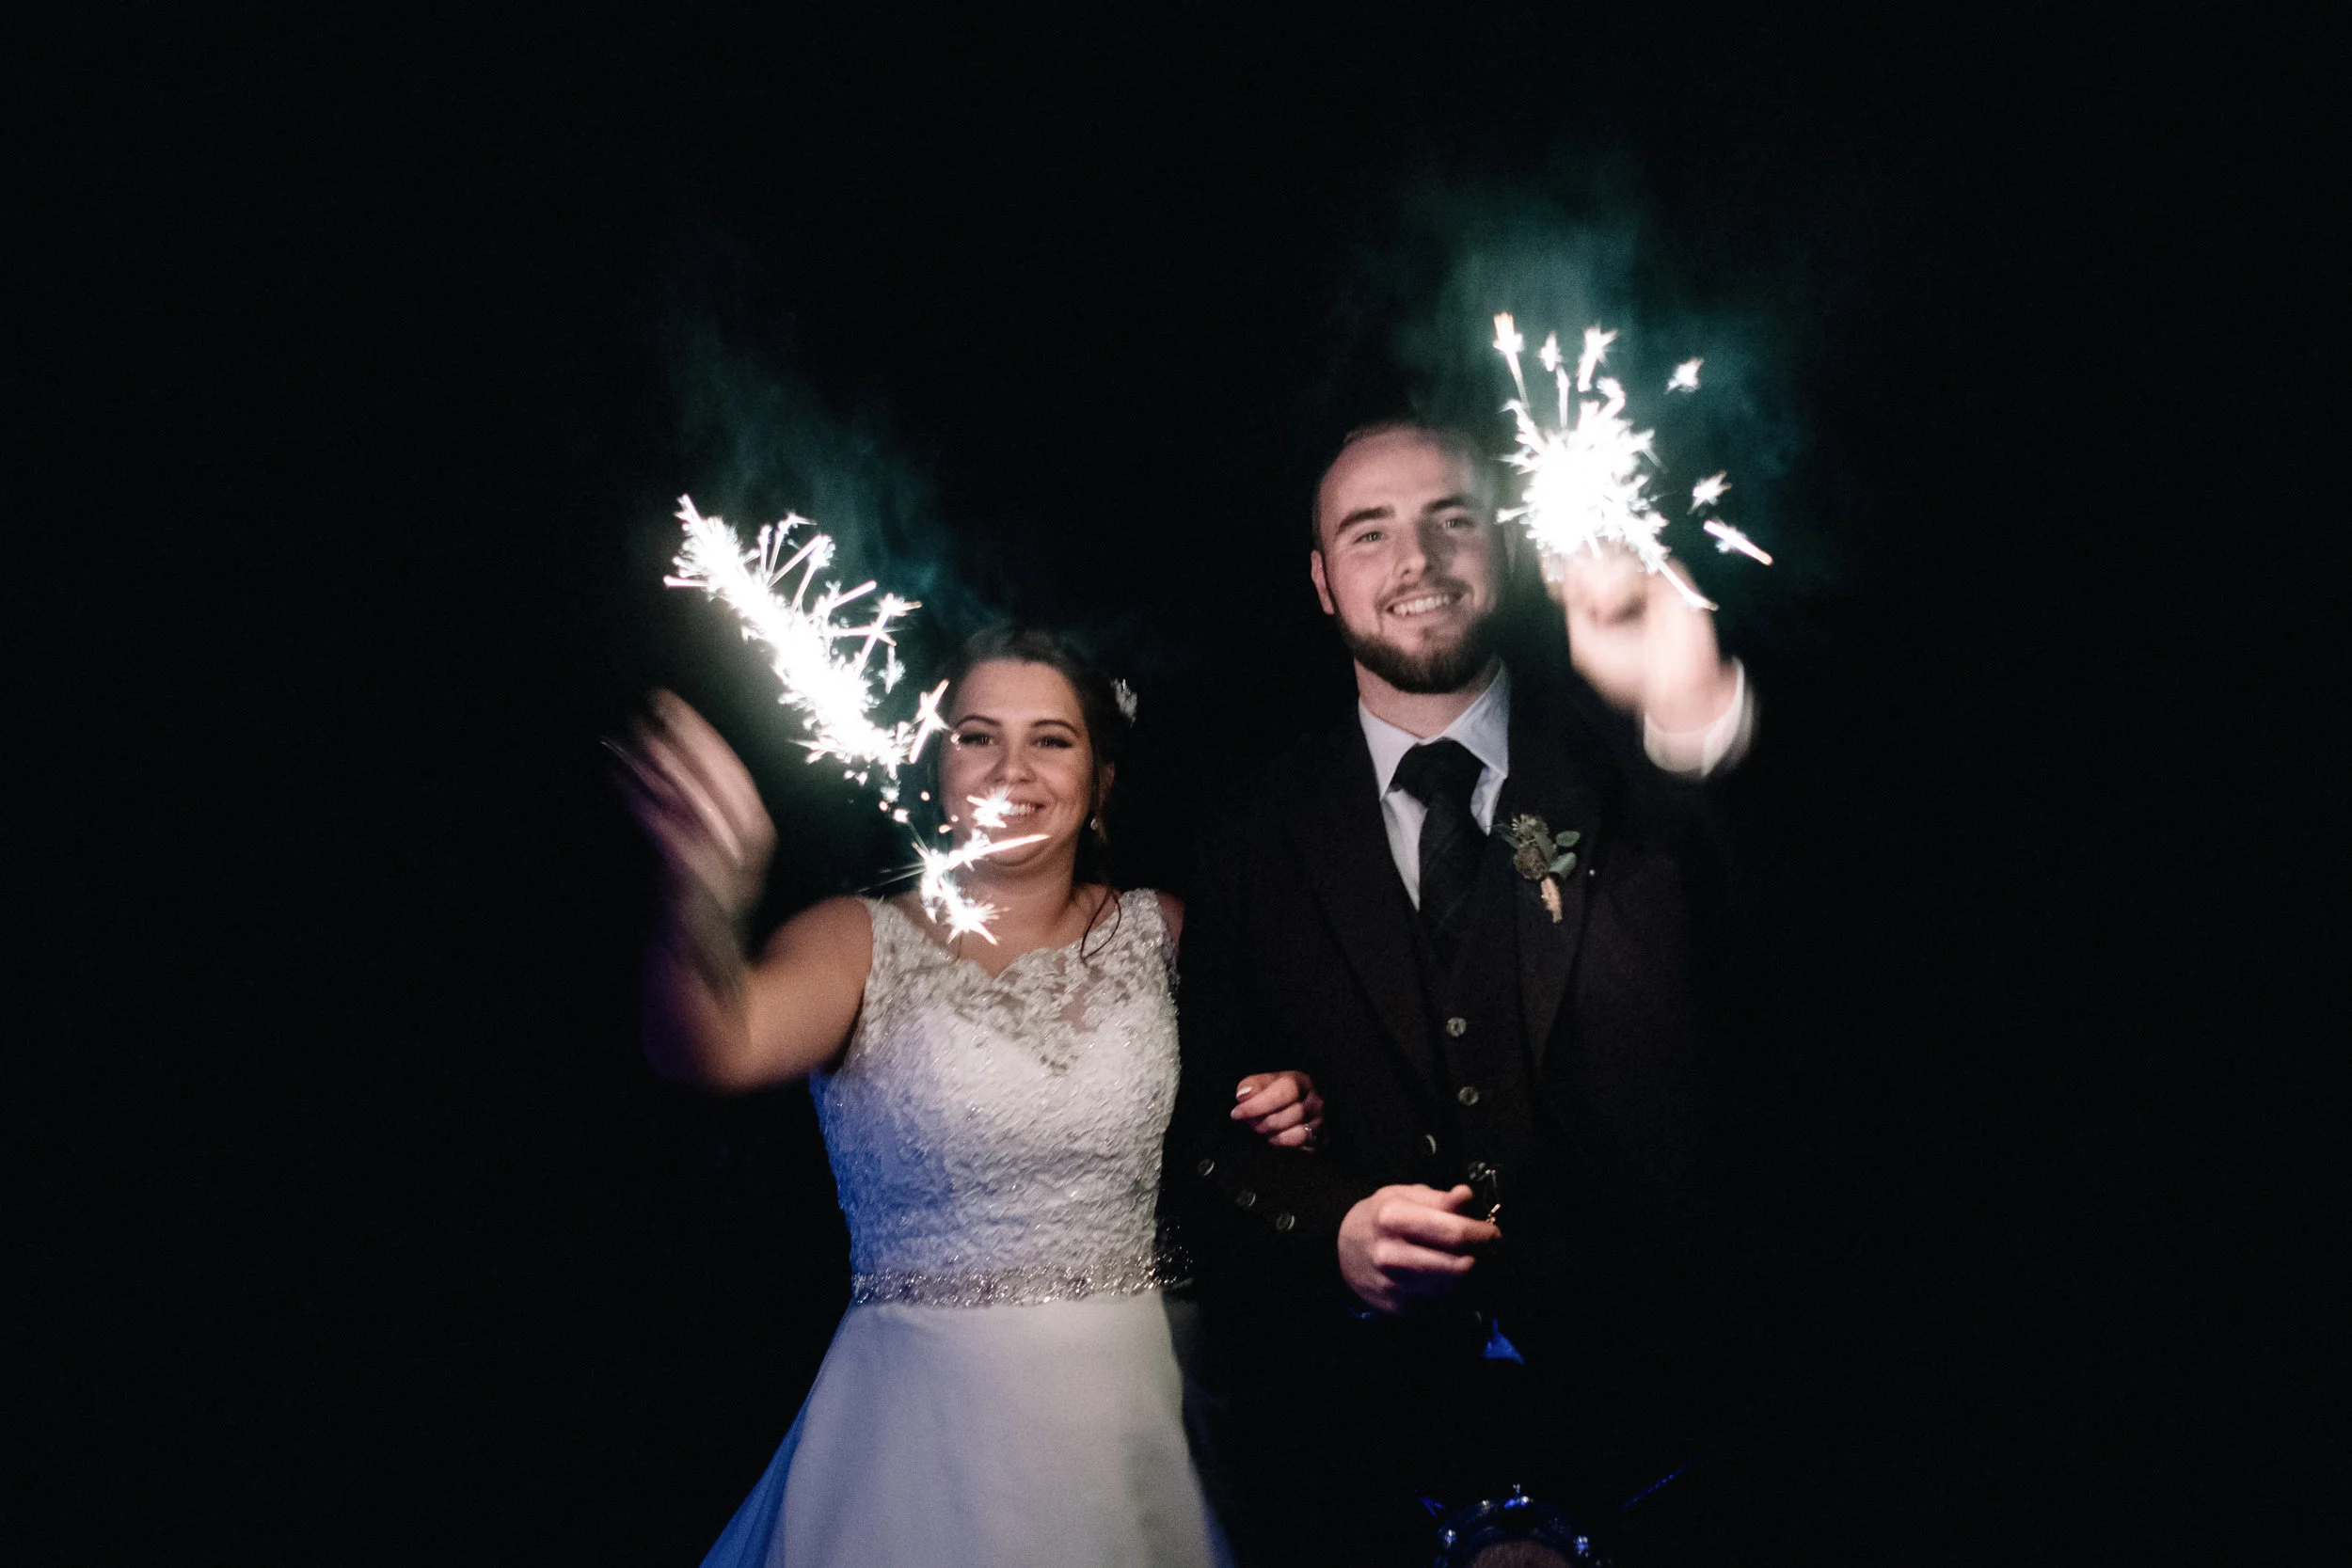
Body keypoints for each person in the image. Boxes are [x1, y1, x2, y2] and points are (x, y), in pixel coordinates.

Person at [1170, 423, 1756, 1567]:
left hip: (1673, 1423)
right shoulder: (1245, 832)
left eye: (1451, 517)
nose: (1417, 559)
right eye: (1368, 530)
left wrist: (1693, 710)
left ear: (1507, 543)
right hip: (1369, 1460)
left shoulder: (1639, 760)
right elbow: (1197, 1138)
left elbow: (1796, 940)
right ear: (1321, 578)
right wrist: (1328, 1222)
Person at [615, 626, 1324, 1568]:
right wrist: (701, 893)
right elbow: (707, 1043)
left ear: (1102, 779)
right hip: (912, 1420)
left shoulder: (1169, 932)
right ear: (937, 764)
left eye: (1052, 738)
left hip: (1127, 1416)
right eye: (977, 734)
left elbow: (1261, 1100)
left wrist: (1294, 1098)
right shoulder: (854, 938)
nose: (1012, 767)